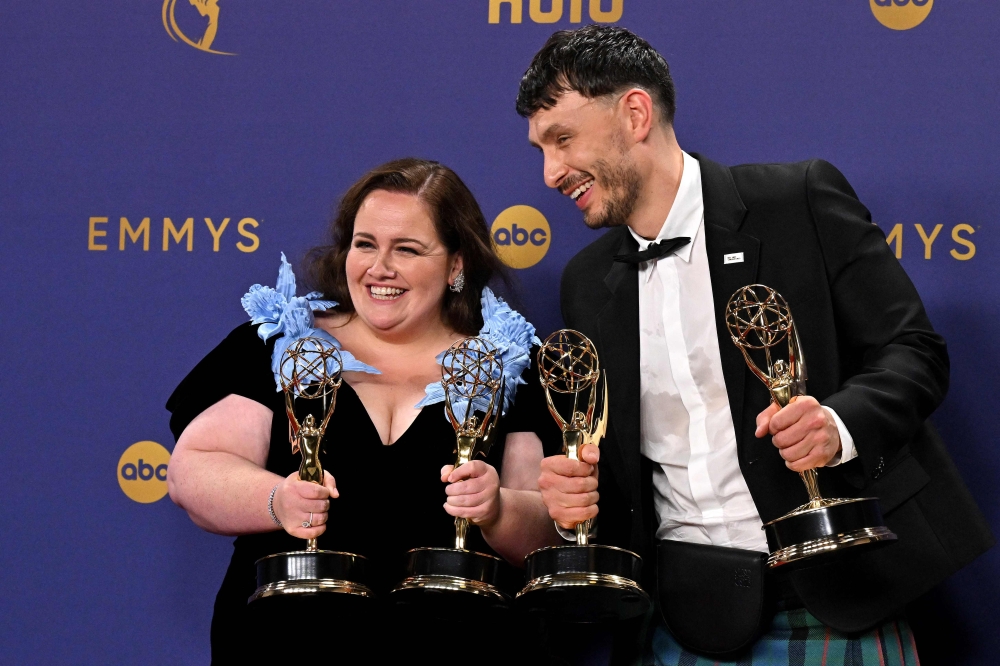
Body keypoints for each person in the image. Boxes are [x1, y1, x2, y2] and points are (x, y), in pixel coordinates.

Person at [515, 26, 993, 665]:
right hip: (679, 615)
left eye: (563, 140)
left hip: (832, 593)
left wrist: (837, 424)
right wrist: (579, 494)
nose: (549, 174)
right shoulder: (586, 282)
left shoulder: (797, 202)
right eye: (540, 149)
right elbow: (615, 459)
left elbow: (915, 351)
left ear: (635, 114)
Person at [166, 158, 563, 663]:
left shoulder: (510, 365)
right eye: (365, 244)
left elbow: (542, 536)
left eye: (408, 250)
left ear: (456, 265)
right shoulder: (282, 341)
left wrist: (498, 509)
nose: (380, 268)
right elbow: (191, 472)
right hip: (284, 646)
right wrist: (277, 499)